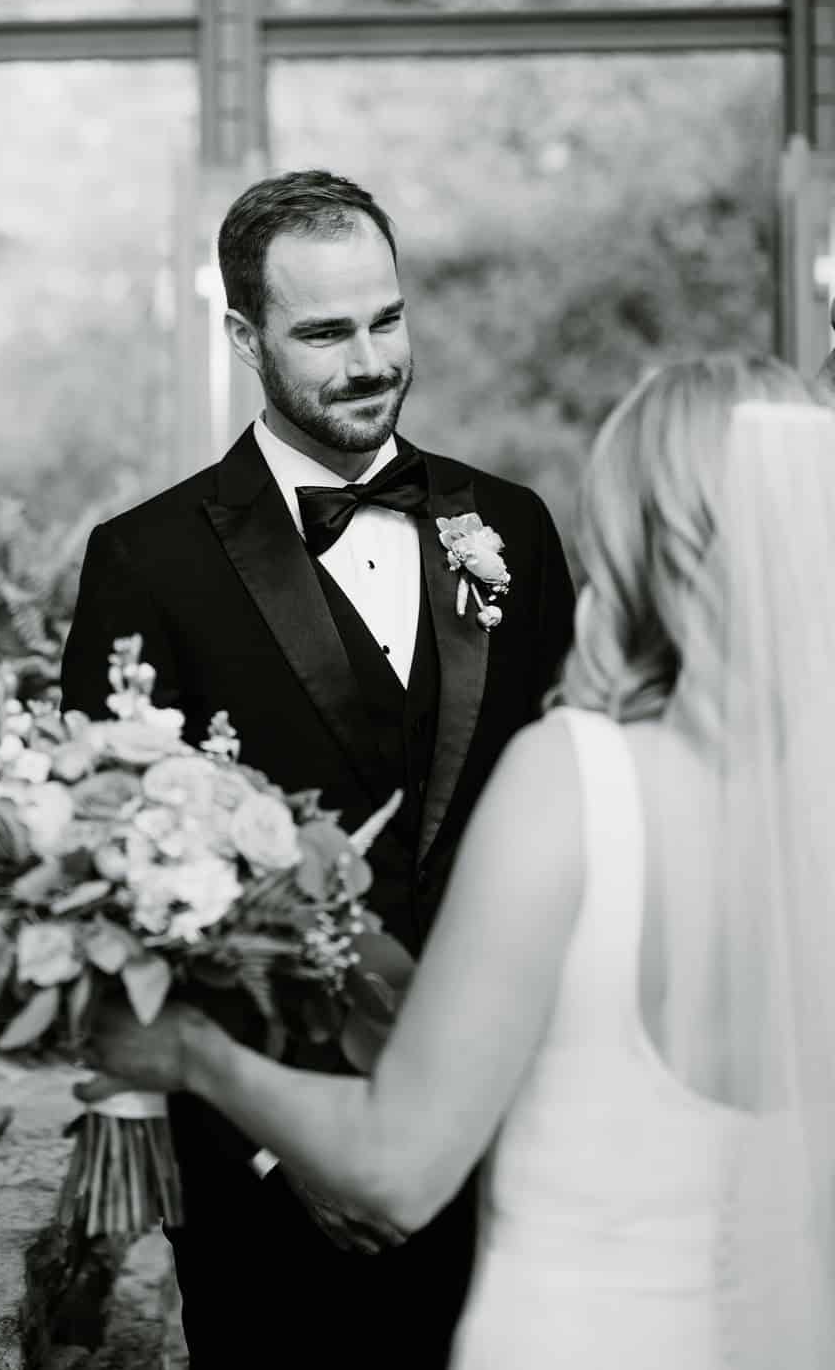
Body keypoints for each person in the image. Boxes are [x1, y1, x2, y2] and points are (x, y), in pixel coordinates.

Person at [80, 352, 835, 1370]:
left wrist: (186, 1055)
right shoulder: (807, 805)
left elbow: (393, 1165)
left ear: (650, 535)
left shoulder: (577, 780)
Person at [60, 169, 575, 1370]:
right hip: (274, 1182)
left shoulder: (516, 525)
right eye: (324, 332)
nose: (368, 360)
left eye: (386, 319)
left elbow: (569, 816)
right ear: (244, 337)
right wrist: (289, 1146)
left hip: (506, 1142)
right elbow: (115, 901)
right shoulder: (146, 561)